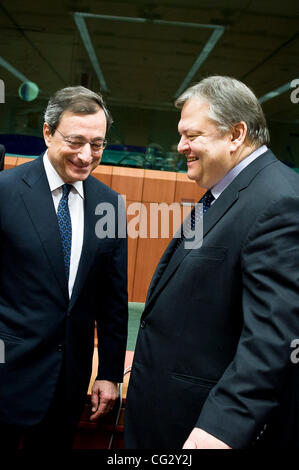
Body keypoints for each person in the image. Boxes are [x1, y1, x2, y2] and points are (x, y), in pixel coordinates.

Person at [124, 75, 299, 449]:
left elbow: (273, 336)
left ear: (236, 135)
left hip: (204, 427)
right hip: (170, 412)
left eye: (192, 135)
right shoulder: (227, 191)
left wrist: (222, 427)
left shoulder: (279, 201)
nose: (180, 145)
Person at [0, 86, 128, 449]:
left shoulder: (110, 205)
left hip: (69, 383)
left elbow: (113, 300)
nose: (87, 155)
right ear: (47, 132)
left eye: (98, 144)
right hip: (7, 372)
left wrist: (108, 373)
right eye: (76, 141)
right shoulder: (5, 192)